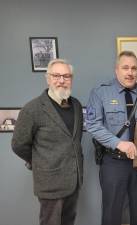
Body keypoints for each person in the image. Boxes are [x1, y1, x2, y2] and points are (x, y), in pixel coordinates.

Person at [85, 51, 137, 225]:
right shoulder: (100, 93)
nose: (130, 72)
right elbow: (93, 125)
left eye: (134, 68)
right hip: (113, 161)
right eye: (125, 67)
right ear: (116, 70)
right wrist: (119, 143)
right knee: (112, 211)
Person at [11, 59, 83, 225]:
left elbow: (74, 140)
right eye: (56, 75)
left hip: (74, 179)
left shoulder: (76, 105)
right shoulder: (32, 109)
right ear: (48, 78)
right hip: (50, 182)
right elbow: (18, 144)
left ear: (71, 79)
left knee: (69, 221)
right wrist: (39, 161)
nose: (61, 80)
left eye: (66, 76)